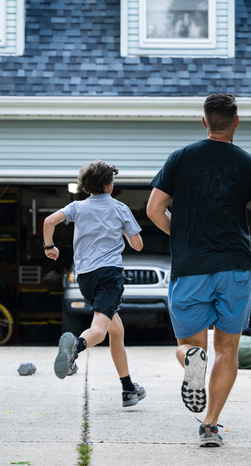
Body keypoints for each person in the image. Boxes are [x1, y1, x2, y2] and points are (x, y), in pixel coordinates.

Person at [147, 93, 251, 447]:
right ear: (236, 122)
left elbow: (153, 209)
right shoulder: (250, 164)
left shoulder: (180, 158)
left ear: (204, 122)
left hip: (190, 267)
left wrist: (181, 234)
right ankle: (209, 426)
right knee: (227, 349)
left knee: (190, 345)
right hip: (233, 267)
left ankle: (191, 359)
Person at [43, 160, 147, 408]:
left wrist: (49, 247)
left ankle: (128, 388)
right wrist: (122, 229)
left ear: (86, 186)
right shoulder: (120, 208)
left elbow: (48, 221)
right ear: (110, 185)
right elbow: (138, 245)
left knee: (116, 331)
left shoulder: (77, 207)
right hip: (110, 275)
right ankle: (75, 348)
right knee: (99, 330)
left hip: (85, 277)